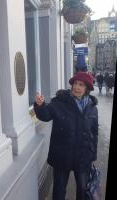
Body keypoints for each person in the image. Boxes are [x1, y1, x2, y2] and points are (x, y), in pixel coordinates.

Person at [34, 72, 98, 200]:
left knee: (83, 189)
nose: (77, 87)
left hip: (83, 155)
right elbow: (45, 115)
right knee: (59, 190)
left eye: (81, 85)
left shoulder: (92, 107)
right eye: (75, 84)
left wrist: (93, 155)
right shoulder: (60, 101)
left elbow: (94, 132)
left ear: (87, 89)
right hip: (62, 154)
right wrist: (40, 105)